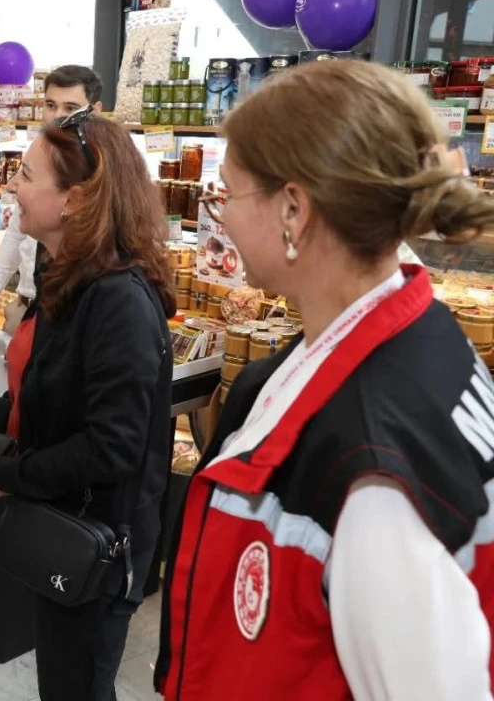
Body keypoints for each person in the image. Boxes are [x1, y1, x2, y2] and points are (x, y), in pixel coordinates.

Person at [155, 61, 494, 699]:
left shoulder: (370, 466)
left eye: (228, 191)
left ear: (293, 210)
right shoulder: (414, 336)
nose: (220, 217)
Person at [0, 107, 175, 700]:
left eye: (25, 174)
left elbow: (113, 446)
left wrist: (10, 475)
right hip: (64, 522)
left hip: (100, 543)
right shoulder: (64, 273)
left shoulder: (118, 300)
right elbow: (46, 385)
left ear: (76, 198)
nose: (10, 186)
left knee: (79, 685)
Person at [0, 66, 103, 330]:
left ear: (95, 110)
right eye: (50, 105)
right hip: (24, 307)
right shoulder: (40, 154)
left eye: (70, 107)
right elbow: (17, 232)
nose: (57, 115)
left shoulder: (96, 172)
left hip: (67, 318)